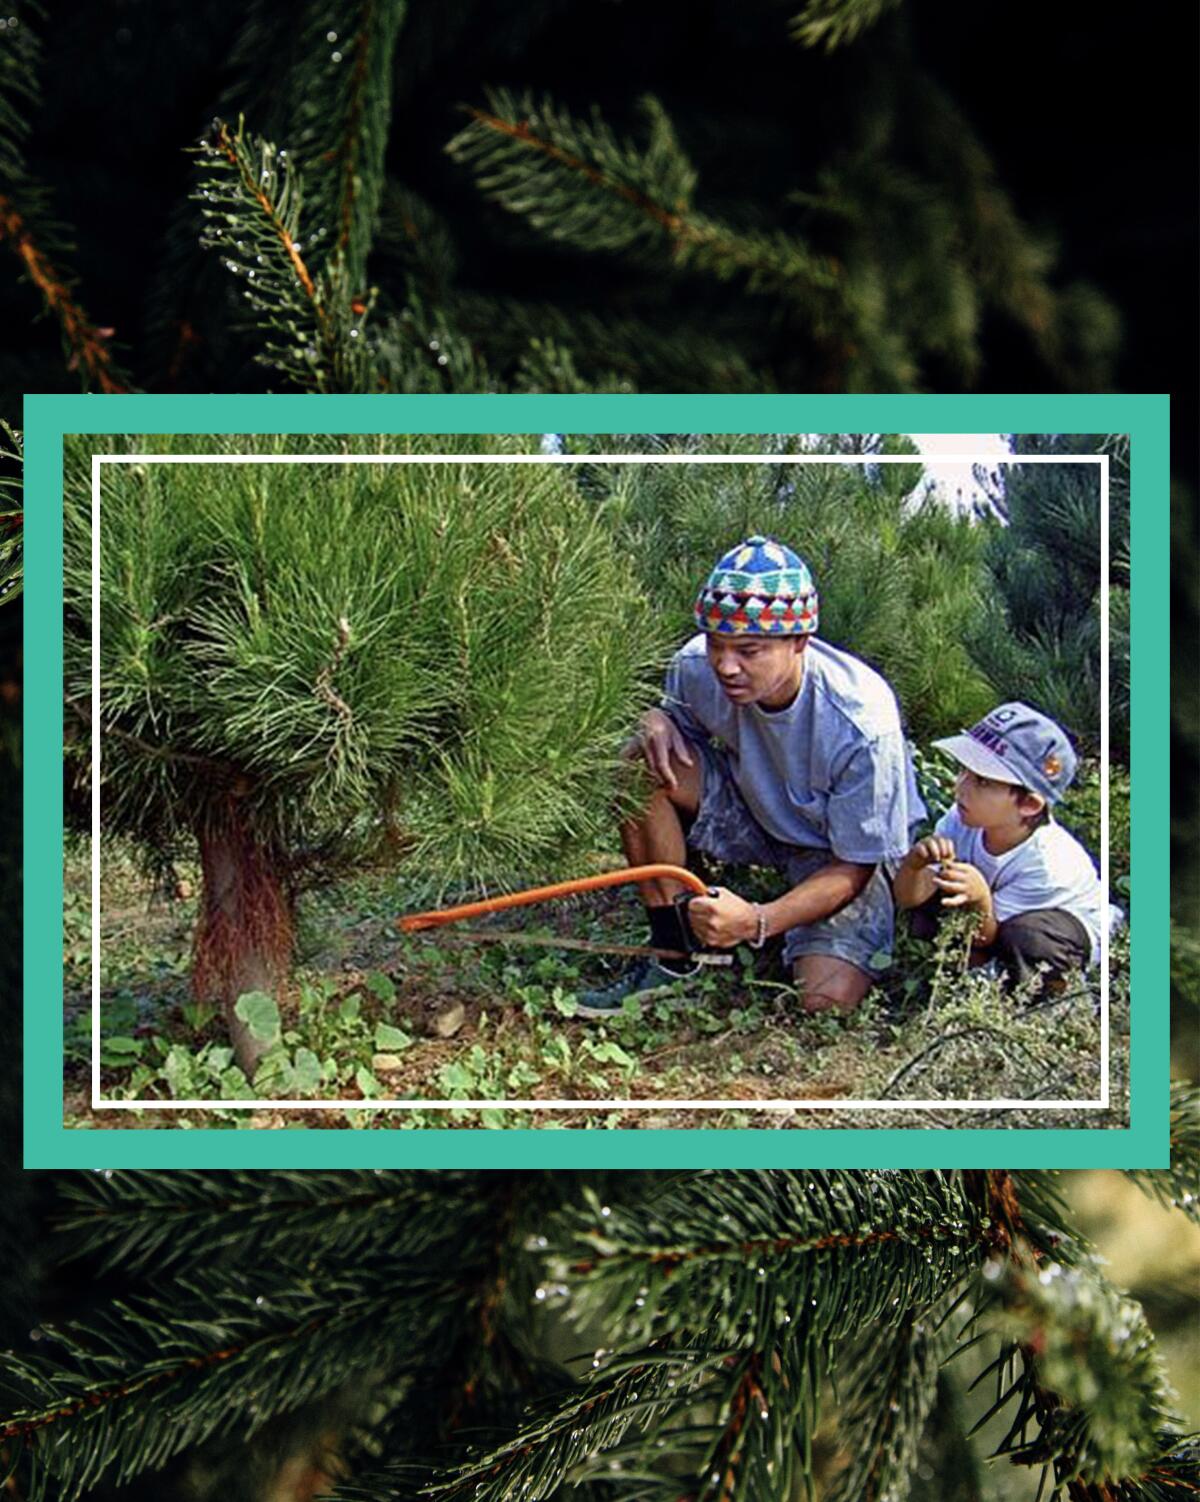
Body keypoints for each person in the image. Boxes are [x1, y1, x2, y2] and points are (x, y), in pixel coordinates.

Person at [577, 535, 925, 1018]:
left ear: (800, 642)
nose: (726, 665)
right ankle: (676, 954)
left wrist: (757, 921)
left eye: (749, 650)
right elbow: (677, 738)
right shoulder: (696, 668)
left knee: (825, 1001)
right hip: (757, 810)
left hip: (837, 853)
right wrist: (653, 716)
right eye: (716, 645)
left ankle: (789, 931)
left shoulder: (862, 722)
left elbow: (855, 867)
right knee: (641, 760)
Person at [893, 702, 1106, 986]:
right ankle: (975, 974)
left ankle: (1048, 995)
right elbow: (910, 899)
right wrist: (915, 865)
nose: (961, 787)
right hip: (993, 923)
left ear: (1029, 804)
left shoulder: (1050, 865)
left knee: (1027, 939)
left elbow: (987, 936)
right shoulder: (960, 819)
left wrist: (980, 898)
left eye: (981, 781)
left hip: (1057, 933)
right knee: (933, 905)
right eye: (963, 771)